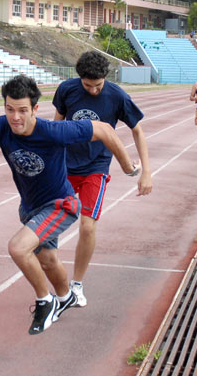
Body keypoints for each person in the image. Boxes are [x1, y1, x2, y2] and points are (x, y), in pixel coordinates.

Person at [0, 75, 137, 335]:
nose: (15, 117)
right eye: (9, 109)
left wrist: (128, 167)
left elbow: (105, 130)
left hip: (59, 205)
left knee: (18, 249)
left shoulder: (53, 131)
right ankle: (66, 297)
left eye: (22, 110)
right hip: (30, 208)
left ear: (35, 110)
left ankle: (46, 301)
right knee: (49, 261)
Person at [52, 51, 152, 307]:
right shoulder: (66, 90)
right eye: (88, 86)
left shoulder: (116, 96)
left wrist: (147, 172)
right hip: (64, 165)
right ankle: (55, 282)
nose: (94, 91)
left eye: (98, 85)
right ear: (80, 80)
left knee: (87, 226)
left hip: (95, 167)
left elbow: (137, 131)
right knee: (48, 224)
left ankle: (76, 285)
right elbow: (57, 124)